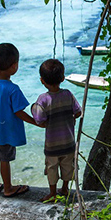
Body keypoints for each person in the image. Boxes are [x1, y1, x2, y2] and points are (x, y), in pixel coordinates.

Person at [0, 43, 38, 198]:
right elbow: (19, 112)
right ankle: (8, 188)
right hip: (5, 133)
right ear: (14, 66)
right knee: (4, 159)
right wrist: (36, 122)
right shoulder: (13, 89)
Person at [31, 58, 82, 202]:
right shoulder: (68, 94)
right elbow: (78, 112)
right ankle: (65, 189)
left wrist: (33, 109)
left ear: (42, 80)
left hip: (52, 145)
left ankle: (52, 193)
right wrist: (70, 118)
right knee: (67, 166)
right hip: (68, 142)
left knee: (52, 168)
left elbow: (40, 119)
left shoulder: (43, 99)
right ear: (63, 78)